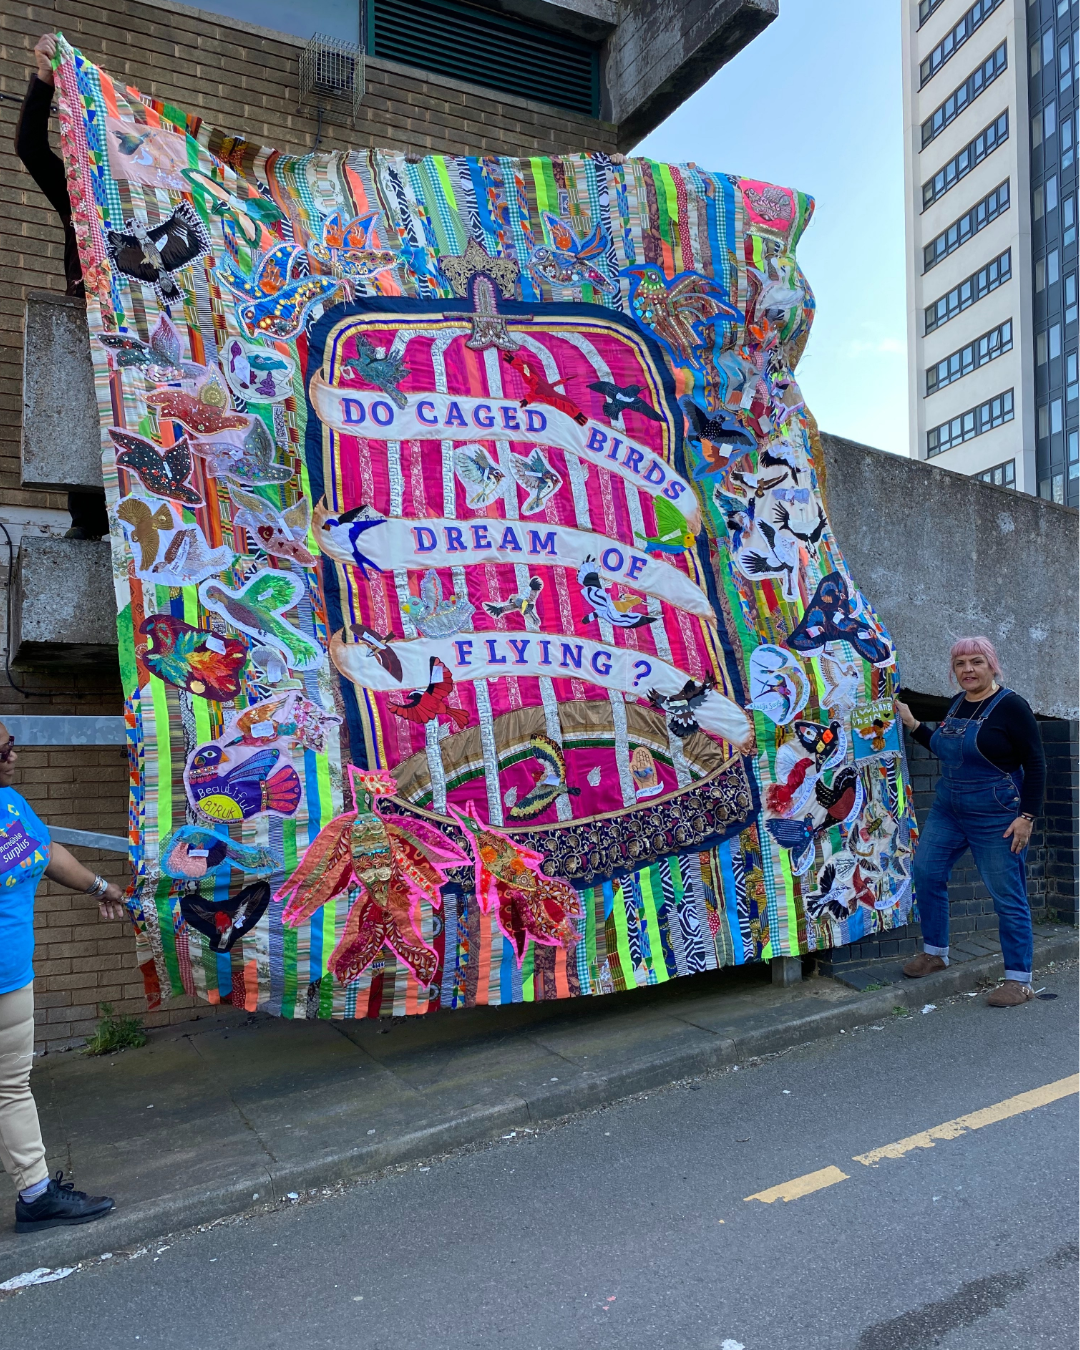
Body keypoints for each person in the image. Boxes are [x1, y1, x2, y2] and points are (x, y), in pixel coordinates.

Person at [0, 720, 125, 1231]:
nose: (13, 756)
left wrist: (101, 888)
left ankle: (36, 1195)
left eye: (12, 745)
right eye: (4, 750)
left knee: (11, 1086)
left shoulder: (10, 803)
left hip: (13, 979)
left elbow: (46, 852)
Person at [895, 637, 1045, 1008]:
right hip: (950, 807)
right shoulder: (958, 703)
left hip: (997, 812)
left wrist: (1026, 817)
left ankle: (1019, 979)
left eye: (976, 662)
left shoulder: (1012, 707)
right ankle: (936, 953)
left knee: (1006, 894)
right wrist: (913, 723)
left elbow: (1037, 764)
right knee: (927, 871)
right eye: (960, 664)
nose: (968, 670)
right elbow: (947, 750)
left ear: (992, 665)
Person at [15, 32, 109, 542]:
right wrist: (45, 80)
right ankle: (85, 524)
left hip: (141, 373)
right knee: (88, 521)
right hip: (86, 354)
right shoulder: (83, 203)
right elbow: (30, 147)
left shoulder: (165, 217)